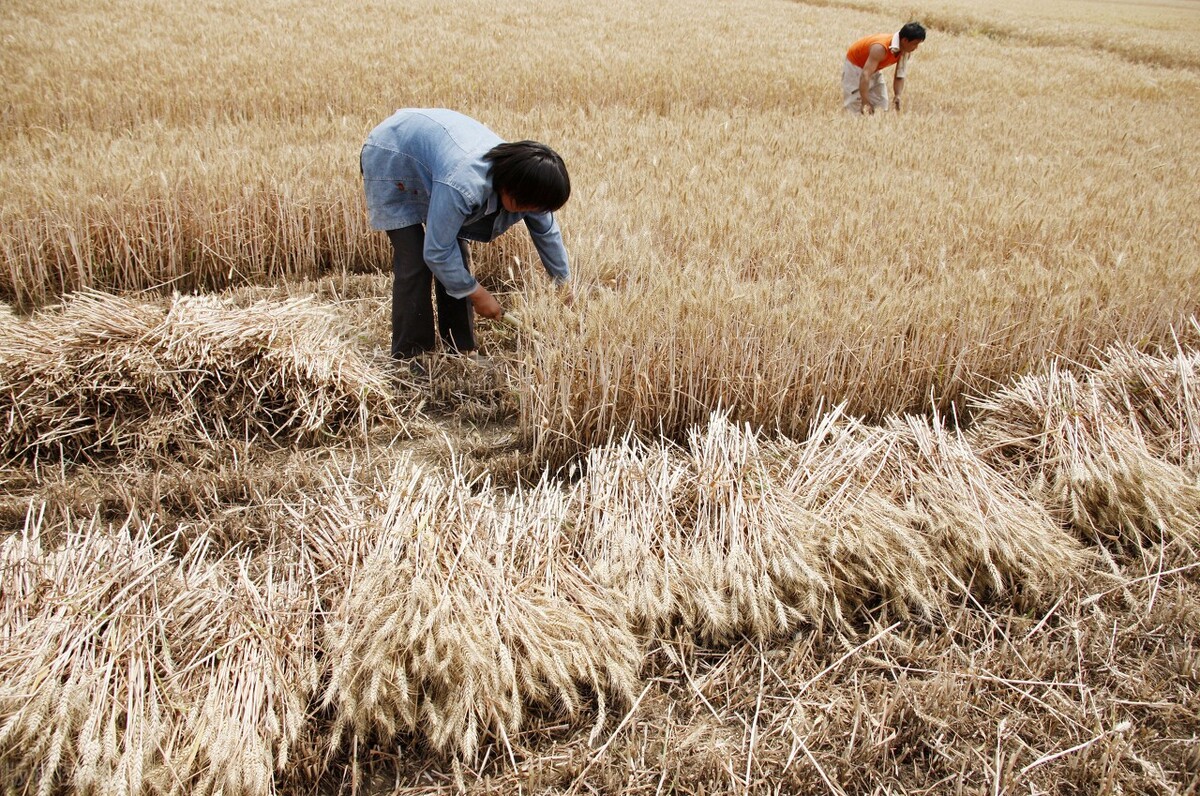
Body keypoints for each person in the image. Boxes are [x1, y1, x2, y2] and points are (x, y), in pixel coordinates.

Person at [360, 108, 572, 361]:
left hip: (434, 158)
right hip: (393, 155)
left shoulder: (530, 186)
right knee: (415, 260)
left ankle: (460, 348)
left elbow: (547, 233)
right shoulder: (464, 184)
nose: (531, 212)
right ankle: (413, 355)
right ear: (509, 186)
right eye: (526, 205)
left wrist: (563, 283)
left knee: (457, 257)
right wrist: (477, 294)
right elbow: (436, 252)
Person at [842, 22, 926, 115]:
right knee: (855, 107)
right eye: (915, 44)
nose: (916, 48)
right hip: (856, 66)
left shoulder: (905, 51)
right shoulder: (880, 48)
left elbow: (900, 74)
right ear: (905, 40)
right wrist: (865, 102)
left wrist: (897, 95)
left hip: (874, 67)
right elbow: (865, 75)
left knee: (881, 105)